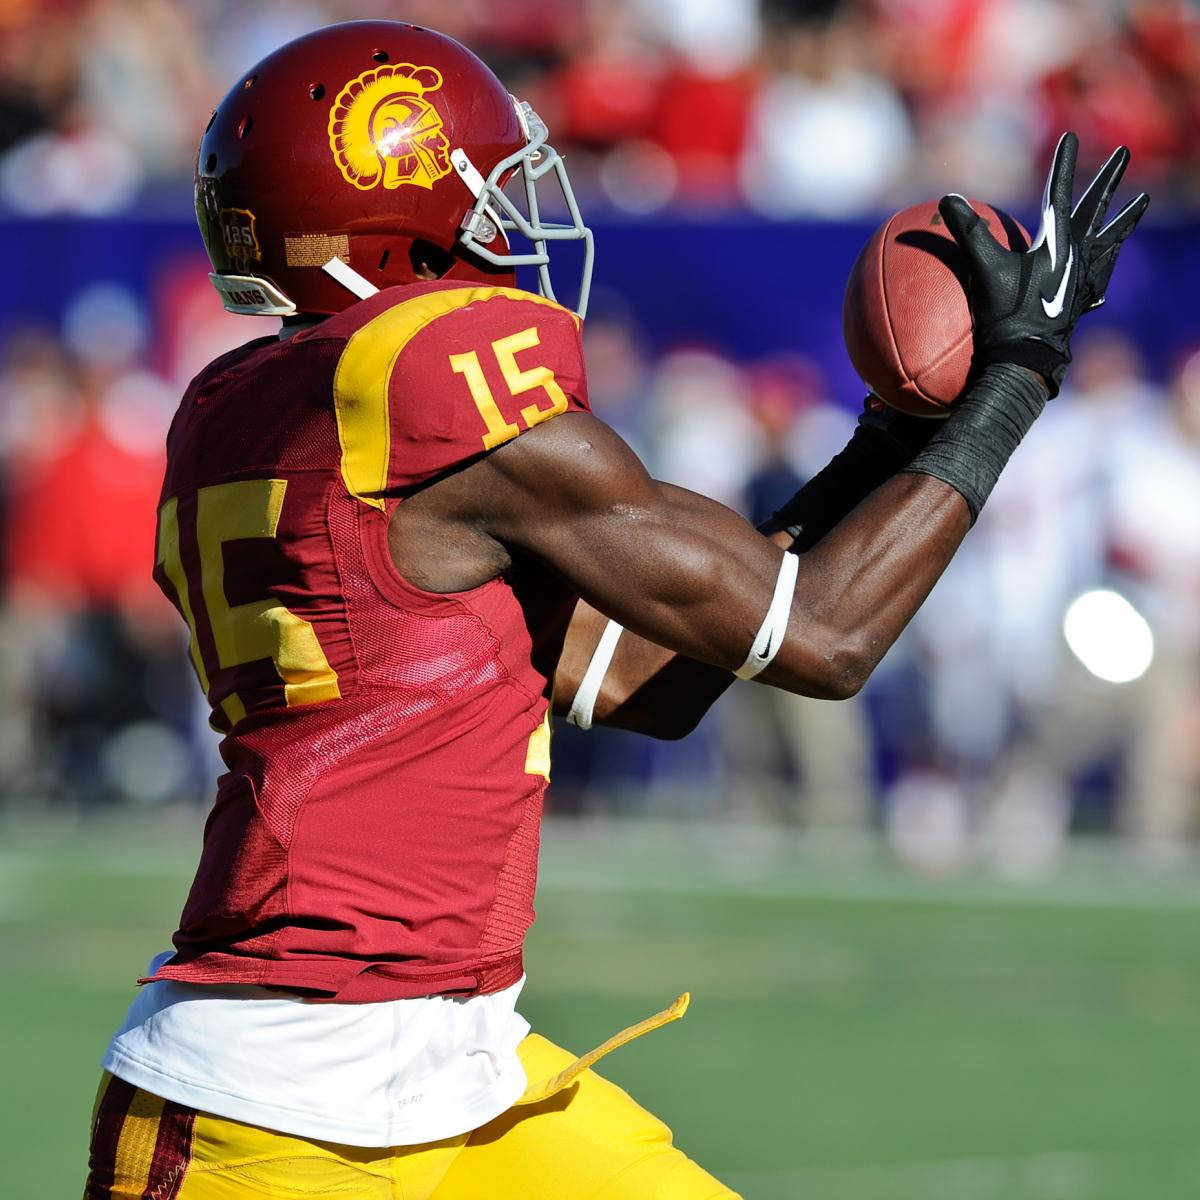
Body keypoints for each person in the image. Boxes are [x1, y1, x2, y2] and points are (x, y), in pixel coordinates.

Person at [82, 20, 1147, 1200]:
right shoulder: (424, 382)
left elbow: (652, 677)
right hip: (268, 1109)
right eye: (486, 193)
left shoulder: (248, 404)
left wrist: (884, 445)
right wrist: (1014, 380)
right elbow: (824, 638)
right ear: (393, 217)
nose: (508, 223)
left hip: (458, 1071)